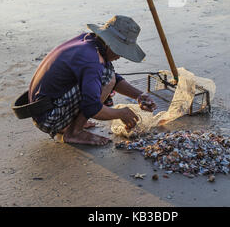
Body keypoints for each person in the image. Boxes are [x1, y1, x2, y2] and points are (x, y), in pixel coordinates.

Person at [29, 15, 156, 146]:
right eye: (120, 51)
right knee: (107, 77)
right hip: (49, 117)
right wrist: (121, 113)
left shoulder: (89, 42)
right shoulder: (92, 60)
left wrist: (139, 96)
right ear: (109, 44)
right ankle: (74, 132)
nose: (120, 56)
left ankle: (73, 123)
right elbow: (92, 107)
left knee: (108, 74)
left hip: (43, 109)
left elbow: (114, 78)